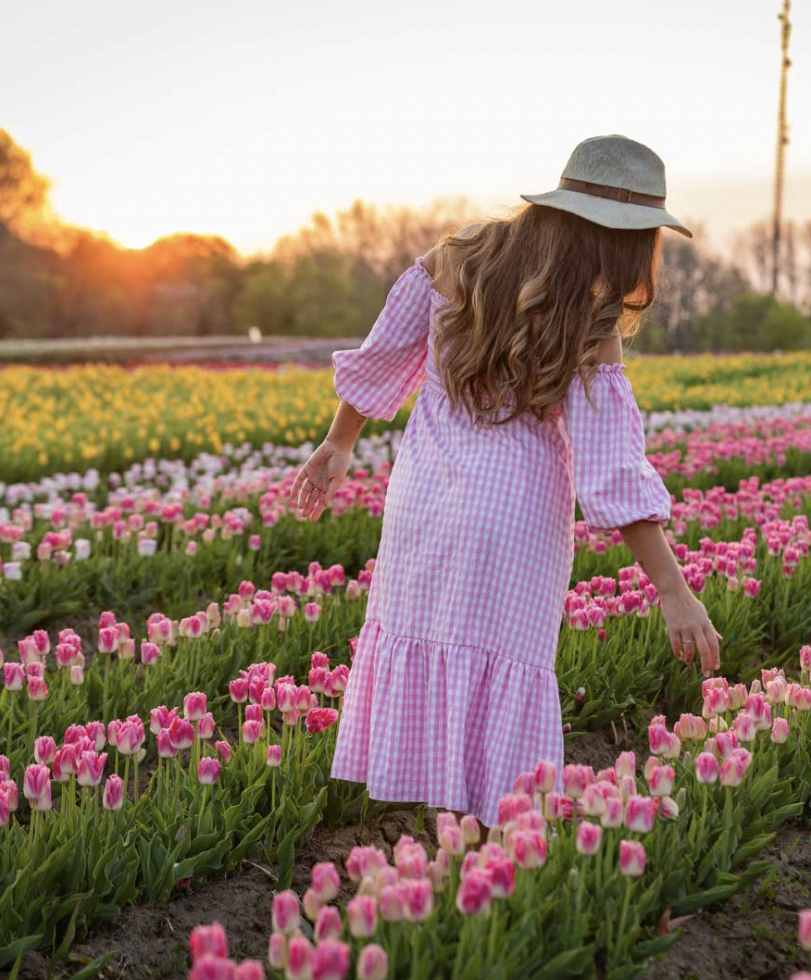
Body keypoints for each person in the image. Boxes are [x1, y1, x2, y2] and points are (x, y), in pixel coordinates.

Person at [290, 134, 722, 826]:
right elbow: (612, 468)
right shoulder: (590, 316)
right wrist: (673, 589)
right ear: (633, 240)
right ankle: (490, 852)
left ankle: (441, 836)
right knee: (500, 674)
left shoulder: (457, 259)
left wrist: (339, 444)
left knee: (432, 650)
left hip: (425, 500)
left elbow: (382, 359)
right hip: (516, 518)